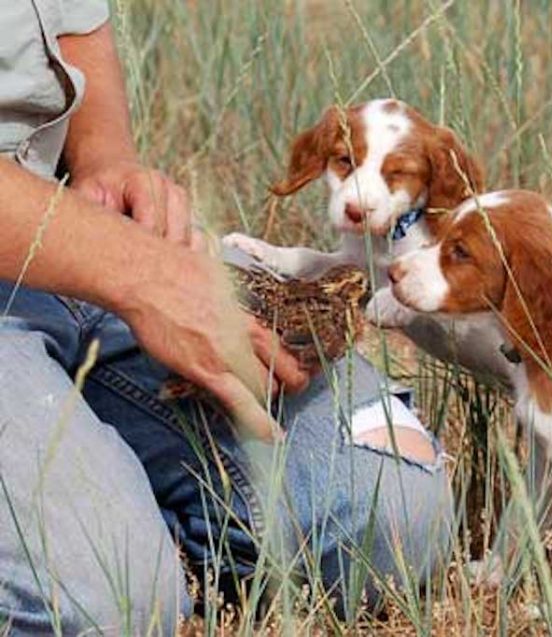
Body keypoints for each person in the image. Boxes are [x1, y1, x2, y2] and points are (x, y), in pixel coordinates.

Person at [0, 2, 453, 634]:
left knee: (393, 514)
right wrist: (140, 274)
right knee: (106, 607)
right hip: (87, 251)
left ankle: (120, 511)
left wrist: (105, 159)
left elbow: (72, 22)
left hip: (71, 215)